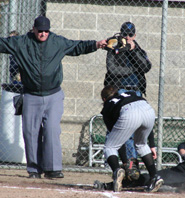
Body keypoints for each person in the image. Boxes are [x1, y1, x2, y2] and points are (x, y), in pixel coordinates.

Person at [0, 16, 107, 179]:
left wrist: (96, 44)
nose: (43, 34)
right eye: (40, 30)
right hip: (31, 95)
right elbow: (3, 44)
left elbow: (76, 46)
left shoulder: (57, 42)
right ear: (34, 29)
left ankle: (53, 169)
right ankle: (34, 169)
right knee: (30, 133)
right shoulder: (21, 42)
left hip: (53, 95)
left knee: (51, 129)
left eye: (46, 31)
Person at [103, 21, 154, 160]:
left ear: (134, 35)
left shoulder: (138, 50)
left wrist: (133, 51)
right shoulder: (114, 48)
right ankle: (114, 164)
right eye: (125, 34)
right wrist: (132, 70)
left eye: (130, 35)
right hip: (119, 91)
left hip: (136, 92)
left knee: (133, 133)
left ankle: (131, 165)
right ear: (120, 34)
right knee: (116, 129)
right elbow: (112, 69)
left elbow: (146, 67)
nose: (127, 37)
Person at [100, 85, 163, 192]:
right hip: (148, 110)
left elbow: (118, 142)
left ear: (104, 99)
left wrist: (124, 163)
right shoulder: (129, 94)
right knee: (141, 144)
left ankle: (116, 172)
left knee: (110, 146)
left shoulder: (108, 105)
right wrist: (152, 144)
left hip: (129, 112)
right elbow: (145, 121)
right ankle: (155, 177)